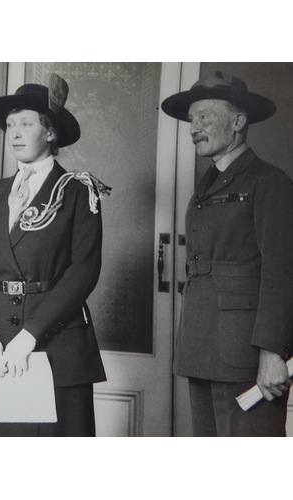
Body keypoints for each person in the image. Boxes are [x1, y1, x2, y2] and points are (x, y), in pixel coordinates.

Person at [0, 74, 109, 437]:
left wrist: (29, 337)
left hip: (52, 344)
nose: (15, 133)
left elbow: (83, 272)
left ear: (50, 133)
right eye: (10, 125)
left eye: (26, 123)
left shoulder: (77, 192)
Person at [161, 71, 293, 436]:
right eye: (191, 119)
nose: (193, 128)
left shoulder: (269, 182)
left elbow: (282, 272)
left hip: (245, 353)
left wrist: (272, 352)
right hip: (203, 345)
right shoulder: (208, 185)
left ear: (237, 122)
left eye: (204, 116)